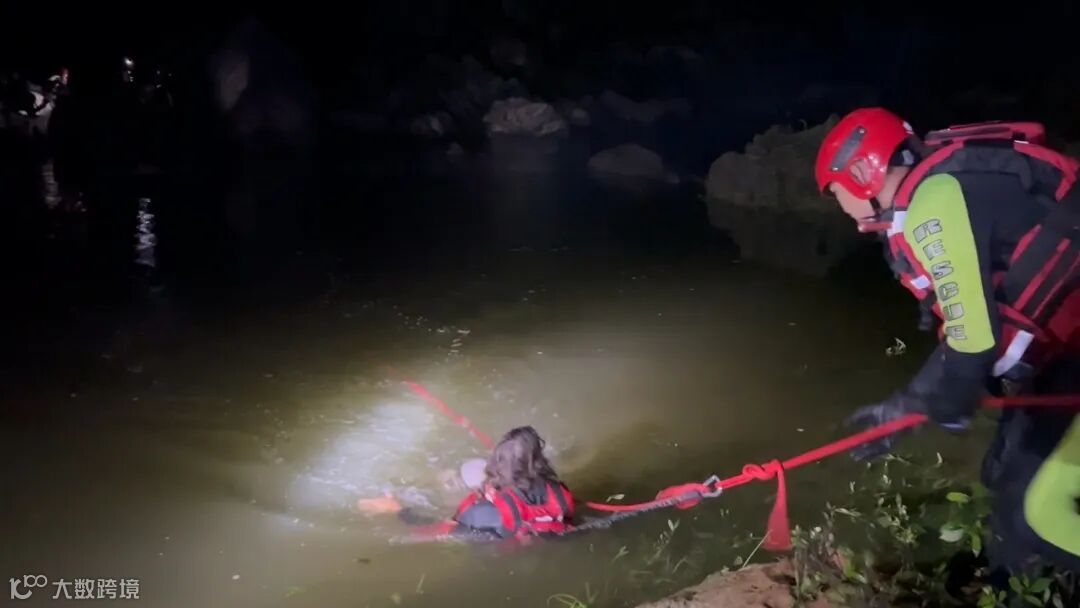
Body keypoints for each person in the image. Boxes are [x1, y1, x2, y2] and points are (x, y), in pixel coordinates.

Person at [815, 108, 1080, 580]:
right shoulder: (940, 185)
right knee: (1003, 473)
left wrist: (920, 405)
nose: (839, 204)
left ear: (860, 173)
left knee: (1038, 511)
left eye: (835, 191)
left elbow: (974, 340)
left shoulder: (932, 205)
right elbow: (974, 327)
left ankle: (1023, 577)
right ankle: (1013, 586)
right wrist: (913, 405)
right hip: (1067, 348)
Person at [357, 426, 575, 540]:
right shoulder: (562, 495)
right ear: (538, 461)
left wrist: (395, 509)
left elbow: (434, 529)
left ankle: (441, 476)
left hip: (493, 560)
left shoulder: (481, 513)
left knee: (450, 484)